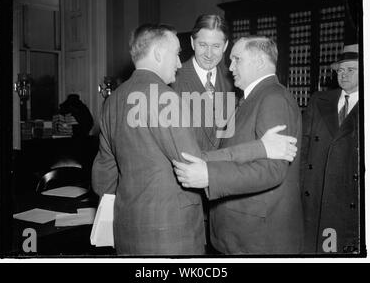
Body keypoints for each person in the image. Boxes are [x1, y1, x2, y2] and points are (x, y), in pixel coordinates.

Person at [92, 26, 298, 255]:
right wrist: (261, 148)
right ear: (159, 53)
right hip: (170, 233)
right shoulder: (165, 96)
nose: (180, 64)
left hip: (125, 228)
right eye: (176, 54)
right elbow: (193, 162)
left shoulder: (113, 101)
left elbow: (102, 178)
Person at [173, 36, 304, 254]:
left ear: (260, 62)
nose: (229, 67)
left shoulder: (274, 98)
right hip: (243, 233)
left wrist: (210, 176)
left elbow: (273, 170)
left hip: (259, 239)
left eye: (237, 59)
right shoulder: (250, 98)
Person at [300, 43, 360, 254]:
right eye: (340, 70)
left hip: (349, 199)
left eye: (350, 70)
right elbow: (303, 147)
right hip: (314, 193)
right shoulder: (319, 100)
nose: (343, 75)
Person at [171, 14, 234, 151]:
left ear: (225, 46)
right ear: (193, 43)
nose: (209, 54)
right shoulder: (173, 81)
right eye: (203, 45)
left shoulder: (234, 82)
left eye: (216, 46)